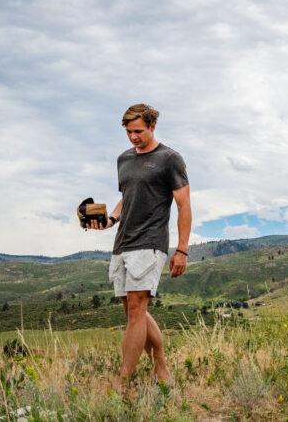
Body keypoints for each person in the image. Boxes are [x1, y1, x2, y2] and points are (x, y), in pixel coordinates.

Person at [86, 103, 191, 390]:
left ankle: (123, 382)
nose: (133, 137)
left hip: (151, 242)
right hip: (123, 242)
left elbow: (184, 206)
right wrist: (109, 220)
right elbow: (127, 198)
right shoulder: (123, 160)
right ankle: (160, 362)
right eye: (129, 132)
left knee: (136, 309)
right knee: (134, 312)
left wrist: (181, 250)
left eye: (138, 131)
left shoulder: (170, 159)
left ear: (152, 126)